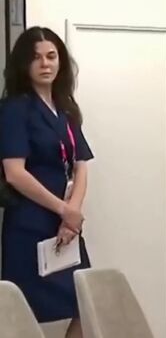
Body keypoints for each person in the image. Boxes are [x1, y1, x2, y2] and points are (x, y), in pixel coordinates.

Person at [0, 27, 94, 338]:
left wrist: (72, 215)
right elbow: (15, 172)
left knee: (86, 305)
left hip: (66, 225)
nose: (45, 64)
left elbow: (81, 164)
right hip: (30, 223)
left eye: (51, 56)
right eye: (36, 58)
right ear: (23, 64)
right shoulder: (15, 109)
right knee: (22, 313)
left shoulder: (65, 108)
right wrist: (64, 210)